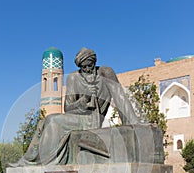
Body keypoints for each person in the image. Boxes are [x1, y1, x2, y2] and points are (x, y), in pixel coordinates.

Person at [11, 47, 139, 166]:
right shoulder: (73, 77)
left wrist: (133, 122)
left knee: (52, 120)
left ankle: (46, 162)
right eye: (84, 67)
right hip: (78, 116)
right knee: (43, 122)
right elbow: (67, 107)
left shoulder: (106, 73)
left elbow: (120, 97)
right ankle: (30, 160)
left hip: (91, 120)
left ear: (95, 63)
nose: (88, 69)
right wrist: (83, 101)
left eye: (90, 66)